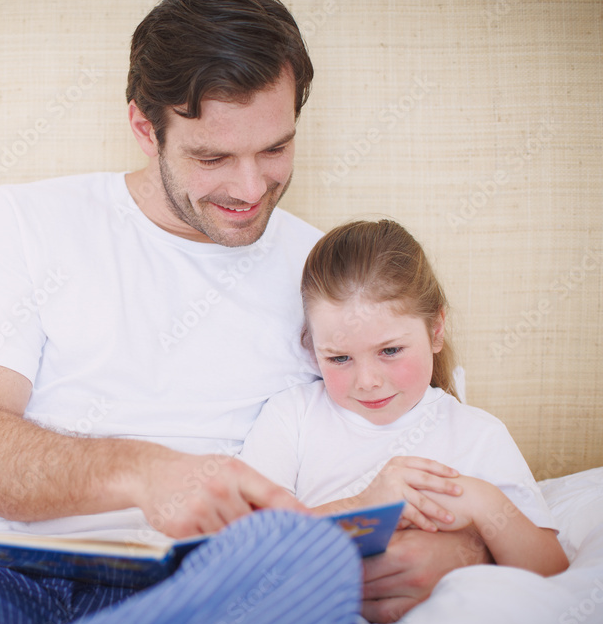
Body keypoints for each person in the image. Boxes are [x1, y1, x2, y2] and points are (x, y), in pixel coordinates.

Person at [0, 0, 490, 624]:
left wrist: (462, 552)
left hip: (218, 583)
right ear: (144, 127)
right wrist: (145, 472)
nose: (250, 188)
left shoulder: (327, 276)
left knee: (307, 560)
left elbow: (422, 434)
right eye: (212, 157)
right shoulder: (29, 221)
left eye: (275, 148)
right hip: (9, 573)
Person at [241, 219, 569, 584]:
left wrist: (482, 503)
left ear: (436, 330)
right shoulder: (292, 417)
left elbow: (552, 570)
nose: (367, 382)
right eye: (339, 358)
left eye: (391, 350)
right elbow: (244, 550)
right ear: (312, 346)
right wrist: (362, 506)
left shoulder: (478, 434)